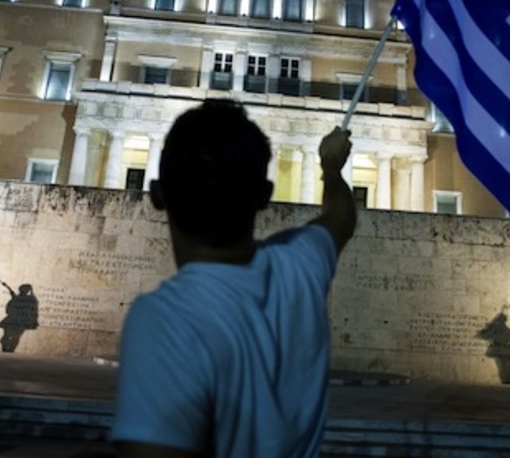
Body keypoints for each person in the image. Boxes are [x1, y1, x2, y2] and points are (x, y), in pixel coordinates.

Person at [111, 99, 358, 458]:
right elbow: (341, 216)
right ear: (264, 196)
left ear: (157, 194)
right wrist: (331, 166)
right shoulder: (300, 267)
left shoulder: (165, 319)